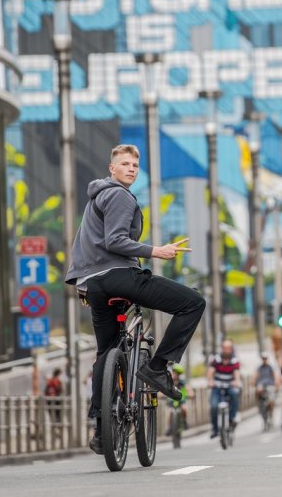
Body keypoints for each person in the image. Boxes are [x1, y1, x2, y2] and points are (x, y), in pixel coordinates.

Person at [65, 144, 206, 455]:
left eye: (134, 166)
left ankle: (102, 427)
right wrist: (158, 251)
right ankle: (157, 367)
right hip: (118, 276)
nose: (130, 169)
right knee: (193, 302)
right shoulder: (117, 194)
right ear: (111, 168)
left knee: (106, 351)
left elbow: (90, 245)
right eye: (124, 164)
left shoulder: (96, 197)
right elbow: (115, 240)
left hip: (92, 285)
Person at [206, 340, 242, 438]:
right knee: (213, 405)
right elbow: (211, 372)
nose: (226, 350)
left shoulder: (234, 360)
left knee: (234, 395)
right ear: (222, 349)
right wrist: (210, 381)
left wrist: (237, 381)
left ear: (231, 349)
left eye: (228, 348)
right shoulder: (216, 359)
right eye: (224, 348)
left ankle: (232, 418)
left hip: (230, 385)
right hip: (217, 386)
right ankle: (215, 429)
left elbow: (236, 372)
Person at [166, 364, 189, 433]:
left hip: (181, 400)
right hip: (171, 401)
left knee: (184, 408)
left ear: (179, 374)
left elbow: (189, 389)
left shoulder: (183, 382)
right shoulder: (169, 382)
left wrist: (190, 394)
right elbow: (162, 391)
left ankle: (184, 421)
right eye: (173, 372)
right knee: (169, 411)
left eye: (176, 373)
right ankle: (169, 427)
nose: (174, 374)